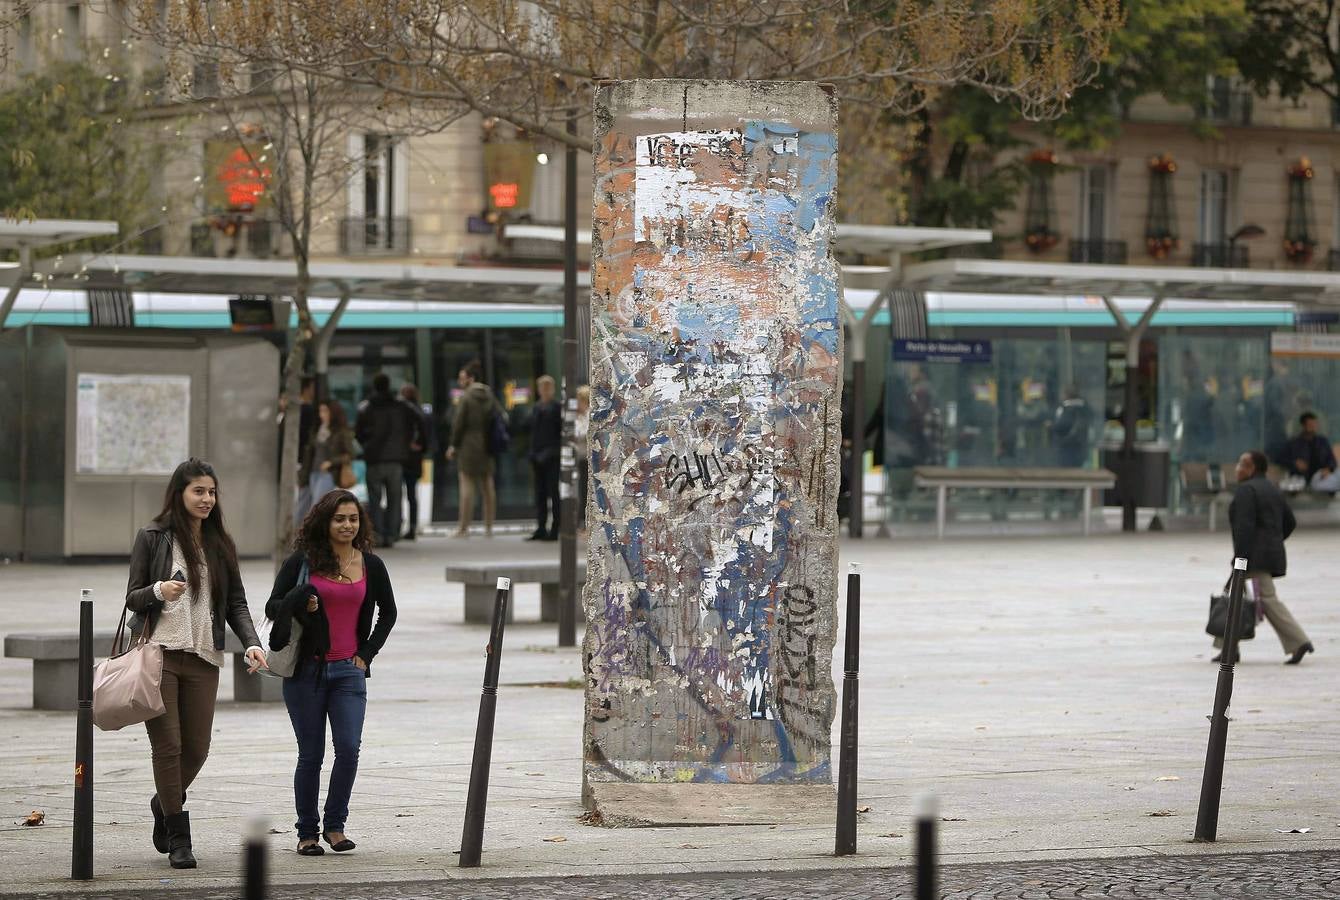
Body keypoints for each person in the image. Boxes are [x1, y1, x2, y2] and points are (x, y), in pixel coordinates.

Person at [124, 458, 268, 870]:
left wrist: (252, 643)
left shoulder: (221, 543)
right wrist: (158, 590)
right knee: (168, 746)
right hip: (159, 654)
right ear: (180, 493)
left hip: (204, 656)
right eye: (198, 491)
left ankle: (163, 801)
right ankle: (178, 835)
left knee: (198, 749)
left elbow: (236, 603)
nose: (207, 499)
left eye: (212, 492)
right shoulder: (153, 536)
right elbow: (132, 596)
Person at [265, 490, 398, 856]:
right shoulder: (303, 562)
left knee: (349, 749)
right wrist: (302, 600)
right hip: (306, 672)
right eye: (339, 518)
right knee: (311, 755)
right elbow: (273, 605)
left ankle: (335, 826)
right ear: (325, 521)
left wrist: (366, 654)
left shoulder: (371, 564)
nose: (347, 525)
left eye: (353, 518)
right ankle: (307, 832)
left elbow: (389, 612)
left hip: (349, 672)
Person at [1214, 449, 1314, 665]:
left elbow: (1245, 528)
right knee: (1235, 599)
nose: (1237, 468)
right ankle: (1227, 647)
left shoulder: (1246, 491)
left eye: (1242, 464)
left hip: (1251, 556)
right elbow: (1290, 522)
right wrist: (1273, 541)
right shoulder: (1271, 488)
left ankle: (1298, 641)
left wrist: (1240, 559)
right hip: (1262, 554)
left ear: (1252, 468)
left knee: (1266, 600)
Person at [355, 373, 419, 548]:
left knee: (375, 499)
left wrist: (367, 445)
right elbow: (419, 418)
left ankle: (378, 533)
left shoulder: (366, 407)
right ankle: (391, 534)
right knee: (395, 497)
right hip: (396, 459)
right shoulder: (401, 406)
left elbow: (358, 433)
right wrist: (413, 442)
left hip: (374, 460)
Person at [446, 361, 500, 537]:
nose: (460, 381)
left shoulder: (467, 397)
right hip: (487, 443)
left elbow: (458, 424)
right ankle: (489, 527)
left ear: (470, 379)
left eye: (462, 378)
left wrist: (453, 445)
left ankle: (464, 527)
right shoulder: (489, 394)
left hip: (469, 444)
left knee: (467, 486)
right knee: (487, 486)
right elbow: (499, 415)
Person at [297, 400, 355, 522]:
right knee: (306, 507)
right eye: (320, 411)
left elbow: (350, 454)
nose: (321, 414)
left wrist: (331, 462)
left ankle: (317, 537)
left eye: (325, 411)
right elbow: (309, 454)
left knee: (318, 506)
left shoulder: (341, 431)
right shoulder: (317, 430)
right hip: (312, 472)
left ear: (332, 413)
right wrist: (302, 475)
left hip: (328, 473)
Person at [529, 375, 562, 541]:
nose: (545, 391)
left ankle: (555, 527)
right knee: (540, 493)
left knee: (553, 492)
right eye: (542, 388)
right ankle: (541, 526)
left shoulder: (557, 408)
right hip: (537, 455)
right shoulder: (537, 407)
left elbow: (560, 434)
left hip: (552, 456)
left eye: (547, 388)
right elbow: (534, 432)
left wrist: (550, 451)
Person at [398, 383, 433, 541]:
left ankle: (397, 525)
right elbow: (426, 440)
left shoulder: (400, 412)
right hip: (414, 460)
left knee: (397, 494)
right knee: (412, 495)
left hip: (400, 458)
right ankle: (412, 526)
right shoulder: (420, 412)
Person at [1275, 411, 1339, 492]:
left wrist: (1328, 469)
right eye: (1310, 425)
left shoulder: (1322, 442)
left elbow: (1331, 460)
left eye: (1314, 424)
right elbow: (1279, 459)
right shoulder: (1294, 443)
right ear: (1303, 426)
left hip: (1320, 479)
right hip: (1300, 479)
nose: (1313, 427)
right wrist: (1295, 463)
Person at [1052, 386, 1092, 468]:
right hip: (1082, 445)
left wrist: (1052, 427)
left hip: (1066, 445)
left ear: (1066, 395)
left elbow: (1062, 426)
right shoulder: (1086, 407)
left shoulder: (1065, 408)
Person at [575, 384, 591, 528]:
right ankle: (582, 522)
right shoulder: (579, 416)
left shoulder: (589, 415)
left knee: (586, 490)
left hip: (588, 457)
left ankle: (584, 522)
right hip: (581, 456)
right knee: (582, 489)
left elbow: (584, 433)